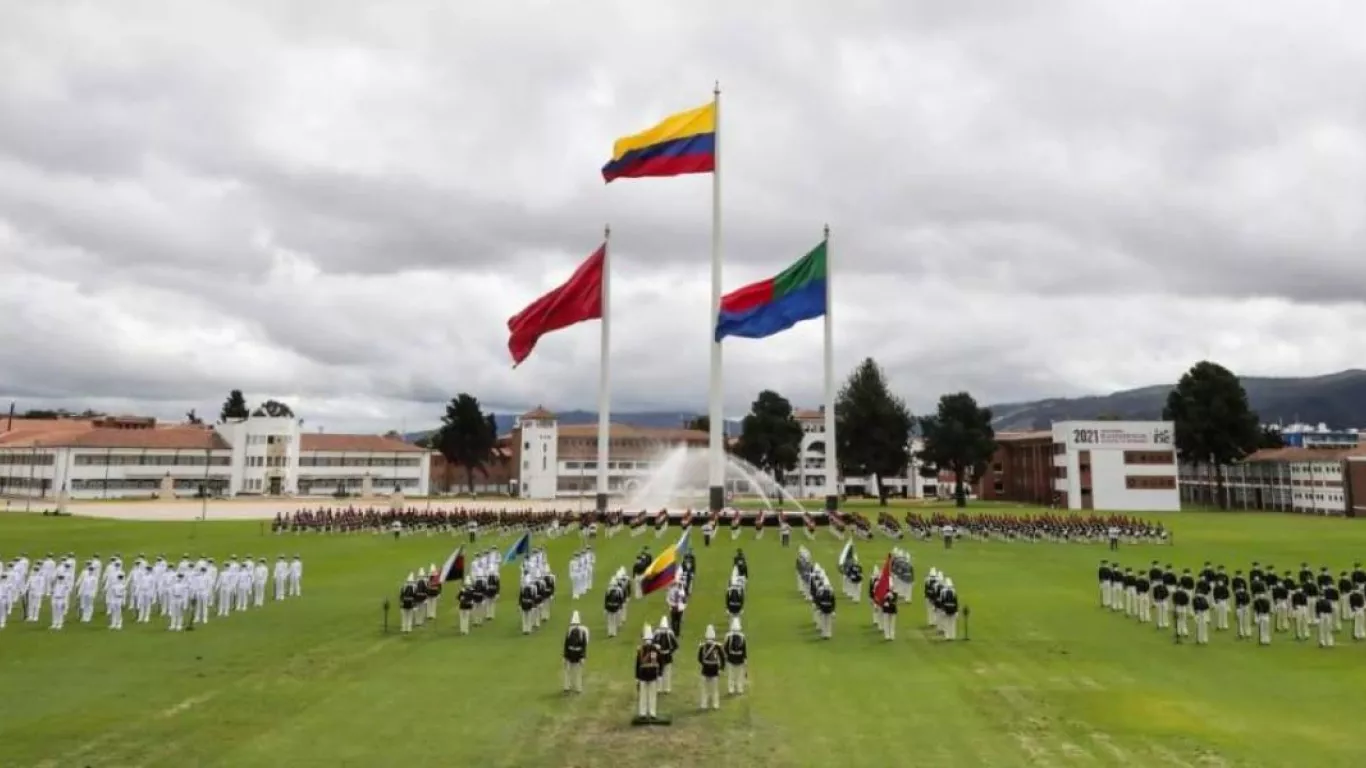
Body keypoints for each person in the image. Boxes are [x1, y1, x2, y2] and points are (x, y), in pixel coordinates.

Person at [634, 624, 661, 721]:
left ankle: (643, 712)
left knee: (644, 696)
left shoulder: (640, 650)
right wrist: (659, 674)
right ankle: (651, 712)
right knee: (651, 695)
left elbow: (637, 665)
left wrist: (636, 677)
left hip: (643, 675)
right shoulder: (656, 649)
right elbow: (660, 662)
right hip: (652, 675)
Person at [697, 624, 725, 711]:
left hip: (705, 670)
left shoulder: (702, 646)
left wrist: (704, 664)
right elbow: (723, 657)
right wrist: (721, 668)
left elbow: (699, 658)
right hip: (714, 670)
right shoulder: (717, 646)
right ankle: (715, 704)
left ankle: (703, 704)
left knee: (704, 689)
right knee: (714, 689)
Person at [563, 611, 589, 693]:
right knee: (567, 671)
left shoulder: (582, 633)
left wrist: (583, 656)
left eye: (575, 624)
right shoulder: (569, 632)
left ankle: (578, 688)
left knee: (578, 672)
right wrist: (565, 656)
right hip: (570, 655)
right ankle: (567, 686)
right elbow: (566, 644)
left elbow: (584, 646)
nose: (574, 626)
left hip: (578, 655)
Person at [653, 617, 680, 694]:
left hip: (667, 655)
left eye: (664, 628)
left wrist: (670, 652)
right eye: (662, 628)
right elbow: (653, 644)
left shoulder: (670, 634)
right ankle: (658, 688)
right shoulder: (657, 634)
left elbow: (675, 645)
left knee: (667, 672)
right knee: (658, 672)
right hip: (659, 656)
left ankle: (667, 688)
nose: (663, 630)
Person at [723, 617, 748, 694]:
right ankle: (739, 689)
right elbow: (744, 649)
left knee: (731, 675)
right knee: (739, 675)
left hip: (731, 659)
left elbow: (725, 648)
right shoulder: (742, 637)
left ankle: (732, 689)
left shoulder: (728, 636)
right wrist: (745, 659)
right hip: (739, 659)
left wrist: (726, 656)